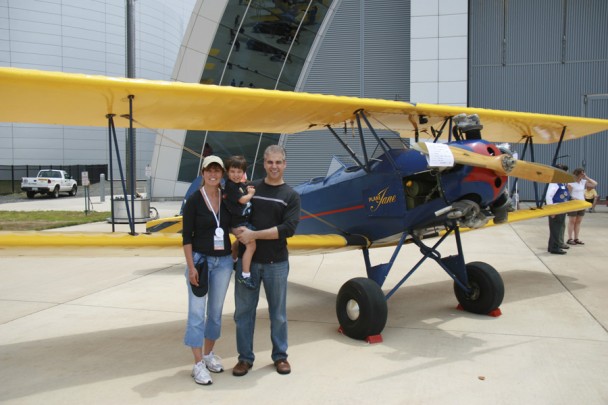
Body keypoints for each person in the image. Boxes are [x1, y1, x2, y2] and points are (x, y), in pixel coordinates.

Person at [232, 145, 301, 377]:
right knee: (243, 313)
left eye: (278, 162)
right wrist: (237, 235)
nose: (274, 166)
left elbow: (287, 229)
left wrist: (254, 235)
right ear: (264, 163)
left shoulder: (291, 195)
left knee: (278, 314)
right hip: (247, 263)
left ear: (285, 164)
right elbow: (234, 210)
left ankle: (280, 357)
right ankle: (244, 359)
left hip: (276, 264)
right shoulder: (251, 188)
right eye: (270, 162)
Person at [182, 155, 234, 385]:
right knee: (196, 314)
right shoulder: (194, 200)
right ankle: (197, 365)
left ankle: (208, 355)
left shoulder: (227, 198)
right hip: (200, 262)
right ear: (203, 173)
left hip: (223, 262)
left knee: (215, 312)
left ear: (222, 174)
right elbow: (186, 237)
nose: (213, 174)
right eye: (209, 170)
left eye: (217, 170)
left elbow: (239, 223)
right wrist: (191, 267)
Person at [224, 155, 257, 290]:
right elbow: (242, 200)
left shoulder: (238, 185)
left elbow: (244, 185)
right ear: (227, 172)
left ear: (243, 172)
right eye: (232, 171)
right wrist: (251, 194)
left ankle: (233, 260)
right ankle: (244, 274)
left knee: (240, 241)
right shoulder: (230, 186)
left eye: (239, 172)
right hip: (238, 224)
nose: (236, 175)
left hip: (243, 222)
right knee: (251, 245)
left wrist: (248, 187)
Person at [566, 167, 597, 245]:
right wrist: (573, 198)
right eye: (581, 173)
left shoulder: (583, 182)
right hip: (573, 204)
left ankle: (576, 238)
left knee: (578, 221)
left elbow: (594, 183)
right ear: (577, 174)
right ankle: (570, 238)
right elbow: (568, 194)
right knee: (572, 221)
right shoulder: (571, 182)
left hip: (582, 204)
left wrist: (586, 177)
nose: (582, 174)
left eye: (583, 173)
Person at [545, 164, 570, 254]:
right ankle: (554, 248)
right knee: (555, 229)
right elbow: (548, 197)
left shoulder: (560, 182)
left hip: (561, 208)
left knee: (557, 229)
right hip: (556, 209)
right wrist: (552, 211)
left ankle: (552, 247)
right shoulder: (554, 183)